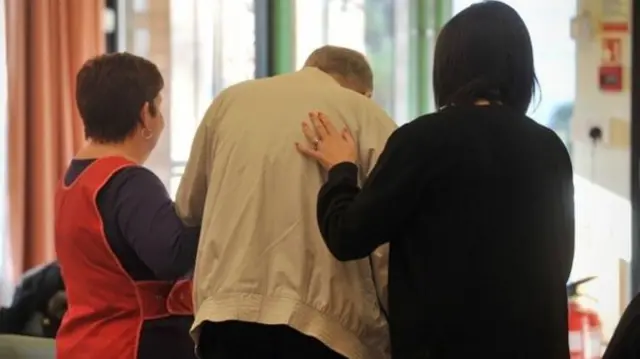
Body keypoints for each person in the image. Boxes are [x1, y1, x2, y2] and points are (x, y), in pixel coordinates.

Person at [296, 2, 575, 358]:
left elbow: (348, 235)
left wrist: (341, 169)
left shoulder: (422, 140)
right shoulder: (549, 148)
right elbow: (560, 262)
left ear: (448, 67)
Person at [175, 45, 396, 359]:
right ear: (366, 92)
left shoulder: (228, 103)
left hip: (225, 315)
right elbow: (386, 241)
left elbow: (188, 208)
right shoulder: (365, 114)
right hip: (326, 327)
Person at [54, 53, 200, 359]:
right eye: (159, 106)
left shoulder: (75, 177)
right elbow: (172, 257)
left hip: (83, 342)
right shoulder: (129, 182)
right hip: (131, 343)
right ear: (145, 114)